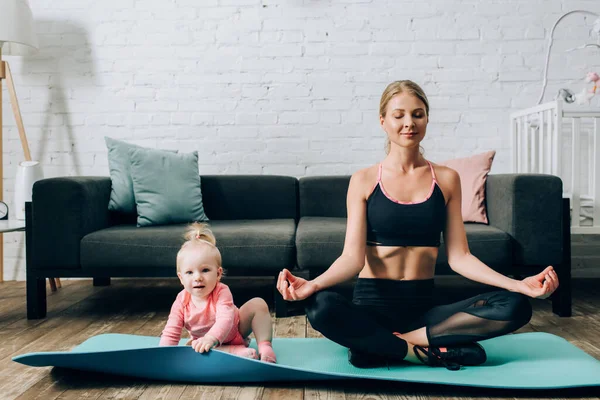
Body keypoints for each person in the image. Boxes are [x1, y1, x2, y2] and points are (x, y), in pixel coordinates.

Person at [277, 80, 559, 371]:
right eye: (399, 115)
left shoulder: (447, 179)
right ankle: (420, 352)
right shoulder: (363, 180)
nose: (409, 123)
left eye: (418, 114)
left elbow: (461, 257)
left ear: (426, 118)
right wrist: (312, 285)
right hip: (371, 308)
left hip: (424, 313)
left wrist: (518, 284)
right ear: (383, 121)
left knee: (515, 305)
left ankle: (381, 346)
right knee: (320, 307)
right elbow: (351, 258)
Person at [160, 222, 277, 363]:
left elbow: (226, 320)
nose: (197, 277)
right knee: (195, 347)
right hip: (203, 343)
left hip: (235, 330)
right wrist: (163, 355)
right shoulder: (181, 300)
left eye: (205, 270)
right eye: (189, 272)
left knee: (258, 304)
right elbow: (171, 330)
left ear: (218, 273)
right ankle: (235, 351)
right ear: (181, 278)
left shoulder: (221, 291)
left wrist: (212, 338)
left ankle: (265, 347)